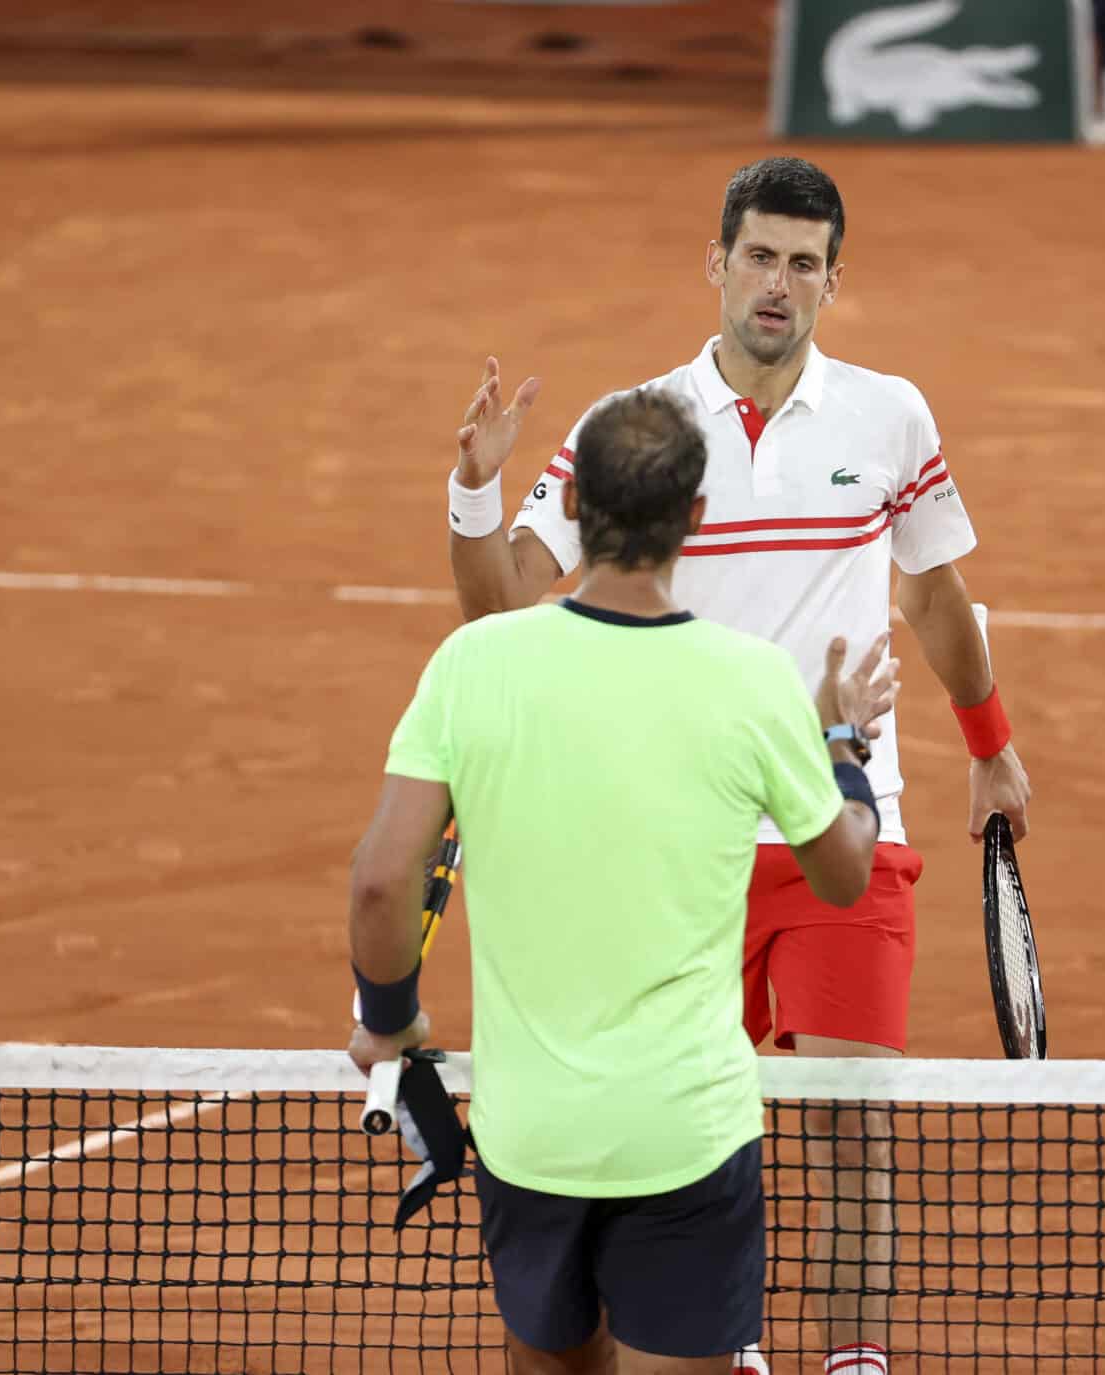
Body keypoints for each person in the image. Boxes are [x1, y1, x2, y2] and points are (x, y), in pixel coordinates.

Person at [440, 157, 1031, 1375]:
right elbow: (500, 604)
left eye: (803, 263)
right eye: (758, 256)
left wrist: (991, 746)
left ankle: (854, 1361)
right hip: (679, 850)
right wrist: (474, 488)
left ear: (831, 281)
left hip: (841, 830)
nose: (778, 284)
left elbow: (930, 594)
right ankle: (729, 1343)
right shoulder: (633, 430)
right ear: (716, 265)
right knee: (694, 1137)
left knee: (853, 1127)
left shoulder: (890, 418)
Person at [348, 390, 900, 1375]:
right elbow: (844, 869)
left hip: (531, 1137)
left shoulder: (473, 665)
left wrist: (388, 1017)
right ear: (694, 517)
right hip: (684, 1137)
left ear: (577, 510)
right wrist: (844, 748)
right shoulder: (752, 682)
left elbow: (384, 886)